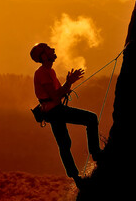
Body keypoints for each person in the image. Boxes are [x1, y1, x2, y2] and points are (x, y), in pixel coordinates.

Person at [30, 43, 103, 186]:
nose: (53, 50)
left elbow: (56, 94)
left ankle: (76, 178)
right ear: (44, 56)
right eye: (49, 49)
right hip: (55, 111)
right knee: (91, 119)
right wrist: (69, 82)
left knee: (64, 143)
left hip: (52, 112)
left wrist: (68, 84)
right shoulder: (44, 73)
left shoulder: (47, 71)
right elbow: (56, 97)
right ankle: (96, 154)